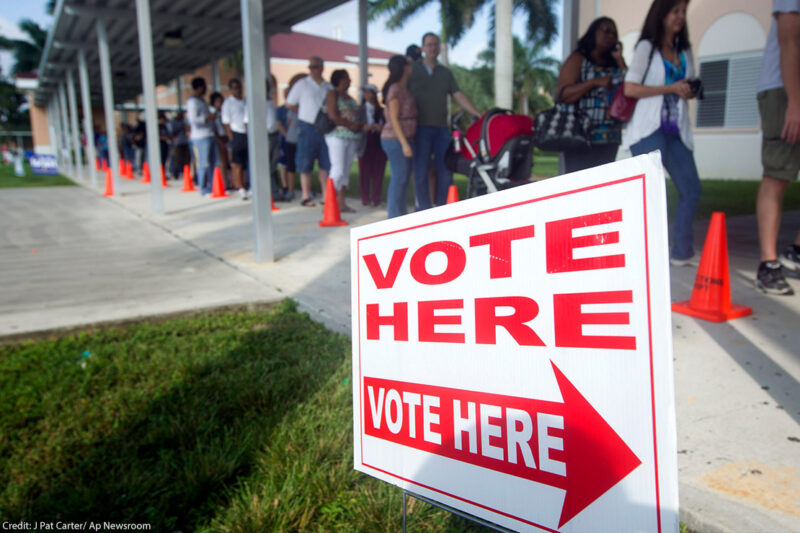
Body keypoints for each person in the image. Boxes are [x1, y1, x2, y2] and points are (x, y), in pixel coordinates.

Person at [622, 0, 701, 266]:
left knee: (691, 189)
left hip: (677, 130)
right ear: (662, 13)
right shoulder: (647, 48)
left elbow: (684, 87)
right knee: (652, 195)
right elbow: (630, 88)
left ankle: (681, 251)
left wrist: (688, 90)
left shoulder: (684, 51)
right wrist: (671, 88)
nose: (680, 16)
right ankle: (644, 254)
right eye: (675, 11)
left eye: (683, 11)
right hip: (648, 130)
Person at [754, 0, 800, 295]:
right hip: (784, 90)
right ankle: (768, 265)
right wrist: (794, 103)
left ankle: (795, 252)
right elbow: (789, 40)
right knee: (778, 173)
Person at [409, 32, 480, 209]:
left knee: (446, 171)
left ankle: (443, 210)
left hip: (441, 130)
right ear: (422, 48)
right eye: (429, 44)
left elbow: (458, 95)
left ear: (439, 48)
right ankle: (423, 211)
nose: (433, 48)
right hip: (419, 128)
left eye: (436, 44)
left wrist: (478, 114)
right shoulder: (412, 70)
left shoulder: (445, 73)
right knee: (420, 172)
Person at [557, 17, 627, 173]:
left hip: (609, 137)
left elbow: (628, 89)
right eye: (606, 30)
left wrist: (620, 59)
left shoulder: (615, 62)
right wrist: (594, 82)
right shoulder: (579, 58)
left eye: (614, 33)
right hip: (581, 137)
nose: (610, 36)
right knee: (578, 187)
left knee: (603, 187)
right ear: (593, 32)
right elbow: (563, 94)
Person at [286, 56, 333, 207]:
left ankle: (326, 195)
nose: (313, 70)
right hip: (307, 126)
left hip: (324, 127)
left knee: (325, 162)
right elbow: (290, 103)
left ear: (322, 68)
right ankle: (306, 195)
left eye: (316, 67)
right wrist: (303, 114)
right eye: (311, 67)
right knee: (305, 161)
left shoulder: (328, 87)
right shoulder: (302, 84)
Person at [381, 55, 418, 219]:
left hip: (404, 138)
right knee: (399, 177)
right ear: (404, 68)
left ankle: (400, 214)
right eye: (409, 64)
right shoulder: (395, 89)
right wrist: (404, 144)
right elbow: (394, 118)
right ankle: (394, 216)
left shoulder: (404, 88)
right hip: (395, 139)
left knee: (403, 178)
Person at [324, 69, 363, 213]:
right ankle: (329, 200)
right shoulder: (332, 94)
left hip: (351, 137)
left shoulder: (350, 98)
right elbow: (333, 115)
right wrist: (351, 125)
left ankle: (341, 202)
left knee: (345, 170)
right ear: (339, 80)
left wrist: (356, 124)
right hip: (336, 136)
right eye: (346, 78)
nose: (349, 81)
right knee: (338, 169)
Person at [276, 74, 306, 201]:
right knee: (288, 164)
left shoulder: (302, 107)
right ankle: (289, 188)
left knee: (302, 165)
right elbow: (285, 123)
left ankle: (304, 191)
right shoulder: (287, 109)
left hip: (300, 139)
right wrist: (286, 135)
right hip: (290, 139)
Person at [186, 77, 217, 195]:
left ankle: (212, 185)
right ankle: (203, 189)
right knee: (203, 163)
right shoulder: (192, 102)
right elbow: (193, 120)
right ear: (199, 88)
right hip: (200, 137)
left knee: (213, 163)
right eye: (204, 87)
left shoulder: (202, 101)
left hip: (209, 134)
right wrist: (207, 118)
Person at [358, 84, 387, 207]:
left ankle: (376, 197)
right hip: (365, 141)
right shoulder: (360, 110)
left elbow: (386, 124)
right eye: (365, 92)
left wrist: (379, 128)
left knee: (378, 171)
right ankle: (365, 197)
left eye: (369, 92)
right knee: (364, 171)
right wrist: (364, 127)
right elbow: (356, 124)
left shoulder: (381, 111)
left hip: (378, 141)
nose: (367, 95)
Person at [221, 78, 249, 199]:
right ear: (230, 89)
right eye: (234, 88)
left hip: (247, 133)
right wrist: (232, 138)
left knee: (246, 162)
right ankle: (239, 186)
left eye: (239, 87)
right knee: (236, 163)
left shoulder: (245, 101)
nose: (237, 90)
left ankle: (246, 184)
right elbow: (226, 123)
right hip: (236, 133)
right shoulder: (228, 103)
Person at [209, 92, 231, 190]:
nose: (220, 103)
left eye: (221, 101)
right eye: (218, 101)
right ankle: (224, 184)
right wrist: (219, 140)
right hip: (219, 138)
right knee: (222, 161)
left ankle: (232, 182)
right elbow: (213, 129)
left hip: (227, 137)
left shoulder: (226, 112)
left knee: (230, 161)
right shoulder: (214, 116)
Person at [168, 111, 190, 180]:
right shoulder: (173, 122)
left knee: (186, 159)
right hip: (177, 143)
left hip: (185, 142)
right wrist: (174, 139)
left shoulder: (184, 122)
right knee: (177, 159)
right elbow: (170, 132)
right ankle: (175, 173)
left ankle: (186, 173)